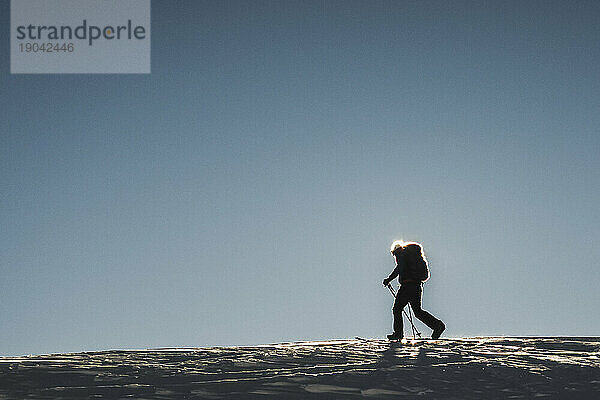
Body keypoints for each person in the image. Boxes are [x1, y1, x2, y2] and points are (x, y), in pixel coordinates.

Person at [383, 240, 445, 340]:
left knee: (397, 309)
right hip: (416, 286)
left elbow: (399, 268)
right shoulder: (412, 255)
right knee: (417, 311)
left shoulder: (401, 254)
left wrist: (388, 279)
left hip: (407, 287)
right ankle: (437, 325)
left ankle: (398, 333)